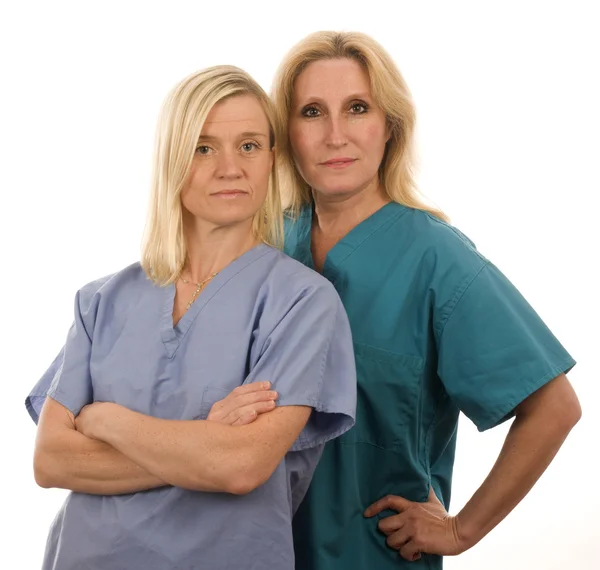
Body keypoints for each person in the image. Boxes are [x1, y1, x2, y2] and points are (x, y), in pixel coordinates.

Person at [220, 31, 581, 568]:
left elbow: (554, 407)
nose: (335, 134)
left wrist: (463, 530)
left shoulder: (436, 259)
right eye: (313, 112)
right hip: (255, 551)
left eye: (357, 108)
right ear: (286, 134)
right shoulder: (265, 247)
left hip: (372, 555)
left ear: (389, 126)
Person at [24, 65, 356, 570]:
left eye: (248, 146)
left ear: (271, 158)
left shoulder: (303, 302)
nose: (230, 168)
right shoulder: (102, 301)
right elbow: (51, 461)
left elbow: (240, 465)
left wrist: (104, 419)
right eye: (204, 147)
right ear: (173, 159)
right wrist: (202, 438)